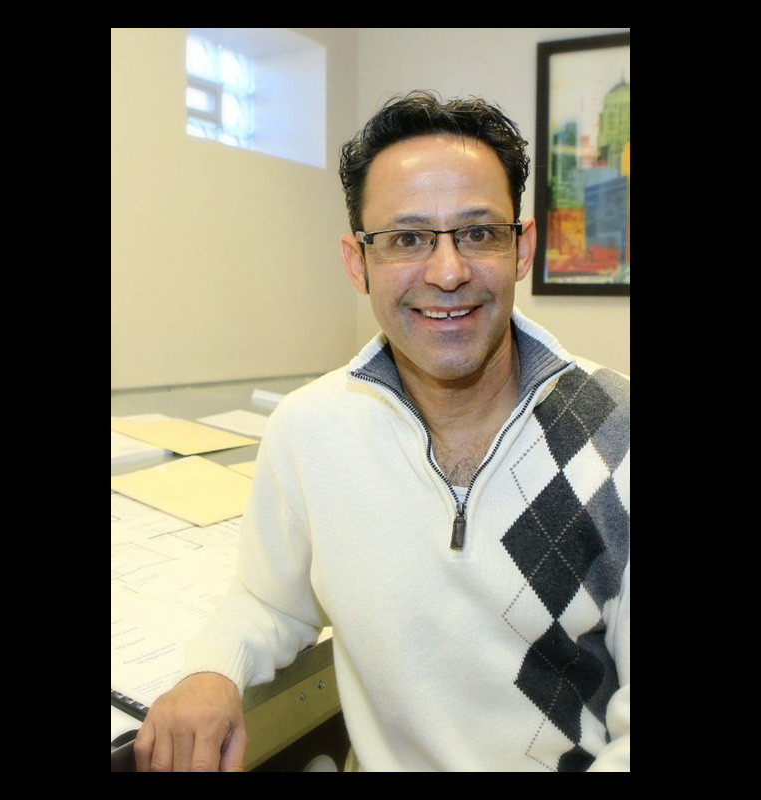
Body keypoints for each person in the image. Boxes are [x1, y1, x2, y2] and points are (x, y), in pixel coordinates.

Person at [134, 90, 630, 772]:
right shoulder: (310, 431)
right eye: (406, 239)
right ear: (356, 262)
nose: (447, 271)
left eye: (479, 232)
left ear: (522, 248)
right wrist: (211, 673)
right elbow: (268, 599)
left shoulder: (617, 435)